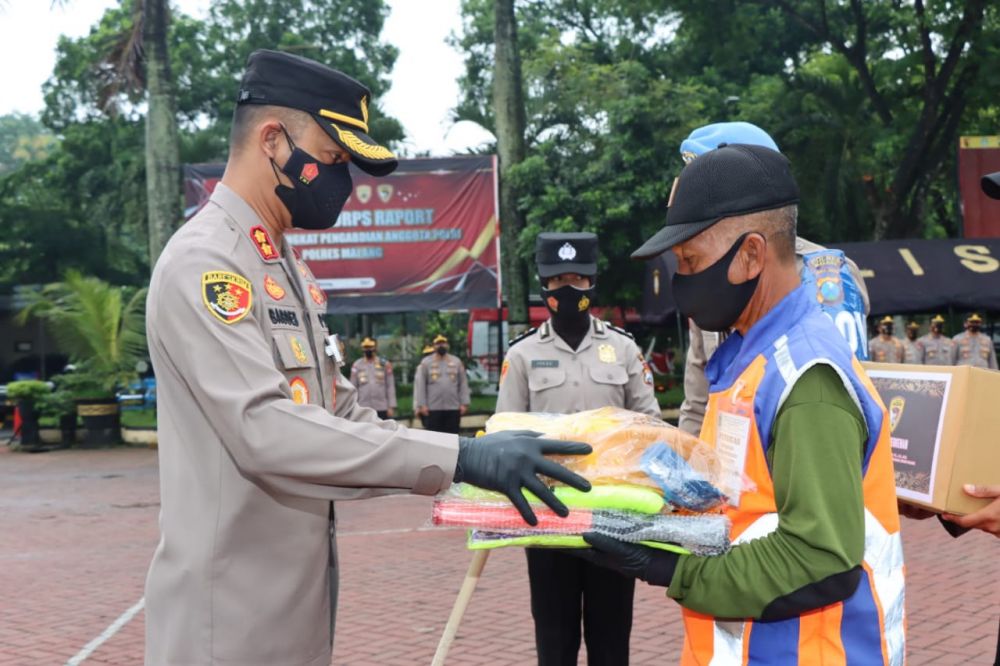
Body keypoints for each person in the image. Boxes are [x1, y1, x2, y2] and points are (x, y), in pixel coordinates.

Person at [143, 49, 593, 666]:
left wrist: (473, 465)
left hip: (294, 612)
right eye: (333, 160)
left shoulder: (281, 265)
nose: (343, 183)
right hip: (227, 625)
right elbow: (265, 431)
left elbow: (342, 413)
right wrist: (460, 456)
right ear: (273, 141)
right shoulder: (208, 263)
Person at [578, 144, 904, 664]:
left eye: (691, 261)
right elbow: (745, 504)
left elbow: (820, 556)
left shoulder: (806, 380)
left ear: (751, 254)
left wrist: (674, 570)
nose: (682, 281)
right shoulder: (750, 358)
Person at [497, 232, 660, 666]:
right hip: (547, 517)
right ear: (543, 286)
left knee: (611, 638)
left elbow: (650, 424)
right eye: (557, 280)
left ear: (593, 283)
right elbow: (504, 433)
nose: (568, 290)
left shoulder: (623, 349)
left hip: (612, 517)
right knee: (555, 639)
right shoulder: (523, 355)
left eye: (578, 279)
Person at [675, 122, 870, 437]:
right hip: (727, 471)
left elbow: (836, 402)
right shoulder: (708, 279)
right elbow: (698, 404)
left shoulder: (825, 275)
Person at [414, 334, 470, 433]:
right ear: (434, 346)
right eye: (438, 344)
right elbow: (421, 385)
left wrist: (464, 403)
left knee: (452, 436)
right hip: (433, 407)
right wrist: (422, 405)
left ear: (447, 345)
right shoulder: (426, 363)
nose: (441, 346)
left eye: (443, 343)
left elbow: (463, 383)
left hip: (453, 406)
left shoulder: (456, 361)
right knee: (434, 437)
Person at [350, 337, 396, 418]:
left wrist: (391, 406)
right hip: (363, 407)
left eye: (370, 347)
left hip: (382, 406)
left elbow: (390, 386)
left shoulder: (385, 364)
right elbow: (353, 387)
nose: (368, 350)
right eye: (365, 347)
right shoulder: (357, 365)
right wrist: (353, 407)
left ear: (375, 348)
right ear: (362, 348)